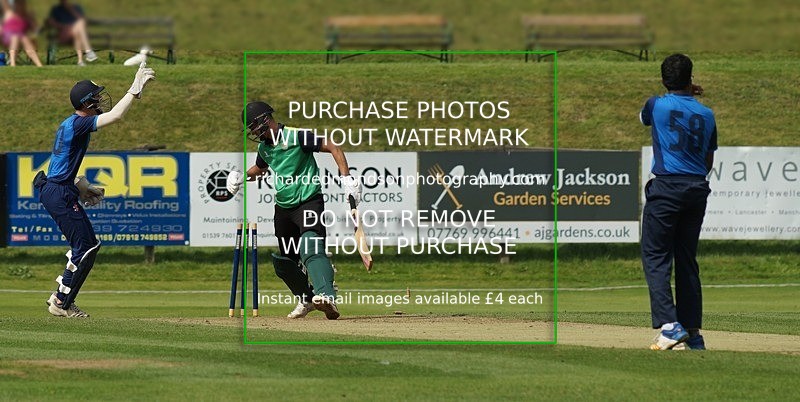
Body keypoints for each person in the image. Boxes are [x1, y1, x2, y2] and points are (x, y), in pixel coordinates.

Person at [38, 62, 155, 317]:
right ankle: (61, 303)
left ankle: (60, 298)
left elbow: (61, 164)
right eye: (96, 97)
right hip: (57, 192)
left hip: (58, 188)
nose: (100, 100)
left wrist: (82, 186)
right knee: (87, 247)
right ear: (86, 103)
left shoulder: (69, 123)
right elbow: (115, 117)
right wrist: (134, 90)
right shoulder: (79, 123)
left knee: (87, 245)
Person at [226, 101, 362, 320]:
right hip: (283, 207)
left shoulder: (296, 136)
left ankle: (327, 296)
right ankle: (306, 299)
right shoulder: (264, 147)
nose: (252, 132)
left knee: (310, 247)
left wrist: (347, 179)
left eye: (253, 126)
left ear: (264, 120)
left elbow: (333, 147)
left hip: (309, 201)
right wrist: (243, 176)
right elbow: (261, 168)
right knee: (286, 263)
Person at [639, 53, 717, 350]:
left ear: (663, 79)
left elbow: (644, 118)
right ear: (691, 78)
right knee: (687, 260)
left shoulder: (655, 104)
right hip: (697, 188)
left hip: (667, 186)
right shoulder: (707, 114)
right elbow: (708, 159)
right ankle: (694, 335)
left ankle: (670, 326)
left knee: (656, 256)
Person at [47, 0, 96, 66]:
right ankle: (88, 50)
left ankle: (80, 61)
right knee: (80, 26)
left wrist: (71, 9)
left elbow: (84, 20)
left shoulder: (76, 7)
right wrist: (64, 26)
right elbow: (51, 22)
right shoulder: (56, 9)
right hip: (64, 34)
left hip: (76, 32)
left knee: (79, 28)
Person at [1, 0, 43, 67]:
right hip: (7, 37)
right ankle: (12, 64)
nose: (19, 6)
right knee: (17, 37)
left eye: (21, 5)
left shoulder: (27, 16)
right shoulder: (8, 13)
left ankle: (39, 65)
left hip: (21, 37)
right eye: (18, 5)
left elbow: (36, 30)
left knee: (24, 38)